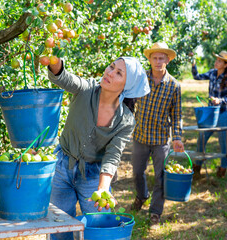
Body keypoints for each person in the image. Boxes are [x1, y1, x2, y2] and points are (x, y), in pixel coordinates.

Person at [47, 56, 150, 240]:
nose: (110, 73)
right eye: (111, 67)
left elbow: (113, 155)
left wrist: (103, 188)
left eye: (119, 73)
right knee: (59, 229)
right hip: (63, 166)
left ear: (127, 86)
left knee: (101, 228)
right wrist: (54, 61)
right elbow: (65, 78)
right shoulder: (86, 89)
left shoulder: (125, 120)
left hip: (94, 175)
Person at [130, 42, 184, 228]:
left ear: (167, 60)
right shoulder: (140, 79)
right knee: (137, 172)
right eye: (155, 58)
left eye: (162, 58)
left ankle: (155, 213)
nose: (158, 61)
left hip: (161, 139)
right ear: (150, 59)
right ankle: (142, 196)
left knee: (161, 177)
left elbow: (176, 115)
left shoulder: (174, 85)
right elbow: (129, 101)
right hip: (140, 136)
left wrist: (176, 137)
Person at [191, 50, 227, 179]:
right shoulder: (212, 73)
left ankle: (223, 168)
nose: (216, 62)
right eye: (216, 60)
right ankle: (197, 167)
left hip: (223, 113)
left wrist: (219, 101)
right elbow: (197, 77)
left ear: (226, 64)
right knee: (202, 138)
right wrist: (193, 65)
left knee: (223, 141)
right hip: (212, 112)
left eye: (219, 61)